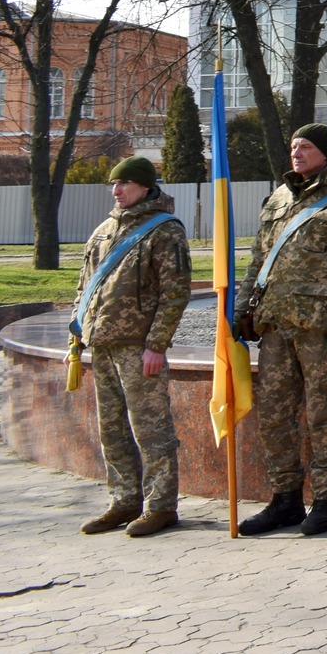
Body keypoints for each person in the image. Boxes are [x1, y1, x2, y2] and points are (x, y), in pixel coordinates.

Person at [238, 124, 327, 537]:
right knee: (274, 416)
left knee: (324, 416)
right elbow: (258, 258)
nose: (296, 153)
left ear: (325, 153)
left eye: (305, 147)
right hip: (276, 325)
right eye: (293, 146)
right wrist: (240, 308)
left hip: (321, 328)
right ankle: (285, 499)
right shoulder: (279, 198)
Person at [72, 156, 190, 537]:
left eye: (123, 183)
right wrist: (78, 329)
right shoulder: (105, 230)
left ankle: (160, 505)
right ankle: (123, 500)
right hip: (102, 344)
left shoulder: (165, 230)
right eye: (113, 184)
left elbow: (175, 293)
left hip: (139, 348)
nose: (116, 190)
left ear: (144, 186)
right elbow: (85, 285)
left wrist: (157, 344)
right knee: (112, 429)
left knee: (151, 429)